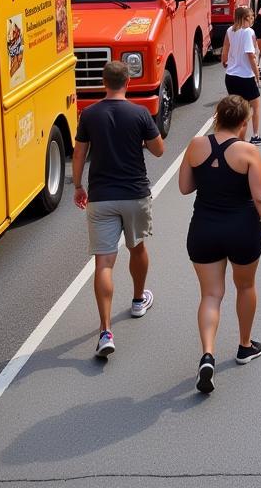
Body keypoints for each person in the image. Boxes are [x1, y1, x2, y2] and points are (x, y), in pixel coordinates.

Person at [178, 95, 261, 393]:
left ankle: (208, 353)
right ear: (244, 122)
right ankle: (244, 346)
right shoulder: (248, 152)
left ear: (217, 117)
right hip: (242, 229)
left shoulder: (196, 145)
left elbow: (185, 187)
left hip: (204, 229)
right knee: (245, 287)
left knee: (211, 295)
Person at [72, 60, 165, 358]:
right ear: (128, 82)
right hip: (134, 194)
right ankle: (138, 300)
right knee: (137, 248)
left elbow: (79, 153)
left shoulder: (89, 114)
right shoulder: (139, 113)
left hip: (101, 197)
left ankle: (105, 330)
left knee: (103, 263)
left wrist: (78, 186)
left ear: (104, 82)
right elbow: (159, 149)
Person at [221, 5, 261, 145]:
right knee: (255, 107)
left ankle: (236, 139)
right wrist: (257, 74)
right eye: (251, 17)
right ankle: (256, 135)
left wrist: (224, 60)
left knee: (237, 110)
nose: (253, 19)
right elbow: (250, 55)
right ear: (246, 18)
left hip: (231, 76)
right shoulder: (248, 32)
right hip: (245, 76)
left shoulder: (230, 30)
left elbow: (226, 47)